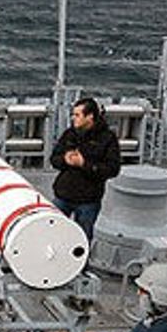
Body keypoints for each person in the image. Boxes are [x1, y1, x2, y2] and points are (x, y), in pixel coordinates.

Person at [50, 97, 121, 239]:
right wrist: (65, 160)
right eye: (73, 114)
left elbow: (112, 169)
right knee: (52, 232)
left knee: (82, 237)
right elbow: (54, 159)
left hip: (88, 200)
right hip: (63, 195)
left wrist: (84, 164)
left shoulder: (107, 139)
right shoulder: (69, 134)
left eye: (77, 115)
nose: (73, 118)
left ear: (90, 116)